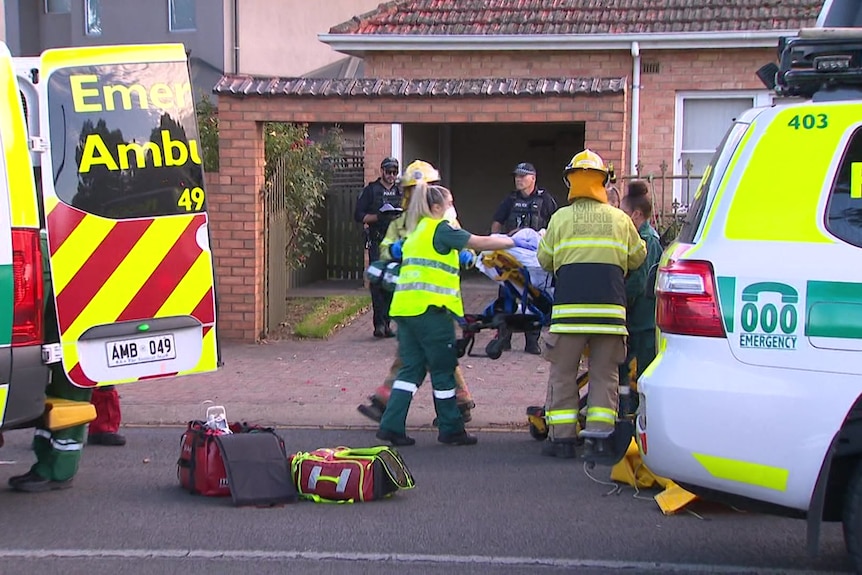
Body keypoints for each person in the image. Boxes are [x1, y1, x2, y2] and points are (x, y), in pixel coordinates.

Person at [376, 181, 529, 447]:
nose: (452, 208)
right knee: (443, 369)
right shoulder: (442, 229)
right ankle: (451, 429)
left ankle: (391, 425)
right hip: (431, 313)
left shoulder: (418, 230)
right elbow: (480, 242)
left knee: (410, 370)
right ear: (437, 207)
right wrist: (517, 240)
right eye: (449, 203)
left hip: (405, 310)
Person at [536, 149, 646, 459]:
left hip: (569, 315)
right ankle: (598, 440)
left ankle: (562, 440)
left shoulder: (559, 219)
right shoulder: (620, 219)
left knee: (563, 374)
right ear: (603, 181)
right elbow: (638, 258)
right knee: (604, 375)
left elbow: (545, 261)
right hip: (610, 314)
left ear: (571, 180)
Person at [357, 160, 476, 425]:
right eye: (412, 189)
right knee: (430, 353)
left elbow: (466, 249)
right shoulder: (401, 222)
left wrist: (468, 254)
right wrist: (394, 251)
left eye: (421, 188)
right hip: (411, 299)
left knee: (418, 356)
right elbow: (386, 249)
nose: (416, 195)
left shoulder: (447, 221)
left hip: (437, 301)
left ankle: (388, 406)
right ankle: (458, 404)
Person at [8, 231, 93, 492]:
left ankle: (58, 469)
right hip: (62, 336)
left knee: (69, 395)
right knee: (59, 395)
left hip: (68, 337)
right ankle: (48, 464)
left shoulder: (44, 244)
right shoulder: (49, 241)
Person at [489, 162, 558, 354]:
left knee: (534, 296)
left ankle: (532, 340)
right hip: (512, 255)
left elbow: (555, 224)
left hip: (535, 257)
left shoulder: (545, 200)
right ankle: (504, 337)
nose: (518, 180)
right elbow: (497, 222)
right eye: (516, 176)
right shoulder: (510, 200)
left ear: (533, 178)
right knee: (507, 293)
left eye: (522, 176)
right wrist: (495, 243)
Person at [619, 180, 663, 385]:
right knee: (626, 371)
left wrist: (618, 300)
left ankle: (638, 413)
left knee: (642, 374)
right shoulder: (637, 237)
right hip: (635, 319)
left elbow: (639, 282)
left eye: (623, 212)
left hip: (643, 321)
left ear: (636, 214)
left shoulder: (648, 240)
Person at [355, 157, 402, 338]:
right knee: (377, 282)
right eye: (388, 172)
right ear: (382, 171)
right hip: (377, 241)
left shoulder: (400, 192)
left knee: (392, 282)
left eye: (394, 172)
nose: (391, 176)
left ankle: (388, 323)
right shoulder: (371, 191)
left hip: (396, 245)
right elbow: (359, 215)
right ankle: (379, 324)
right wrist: (378, 217)